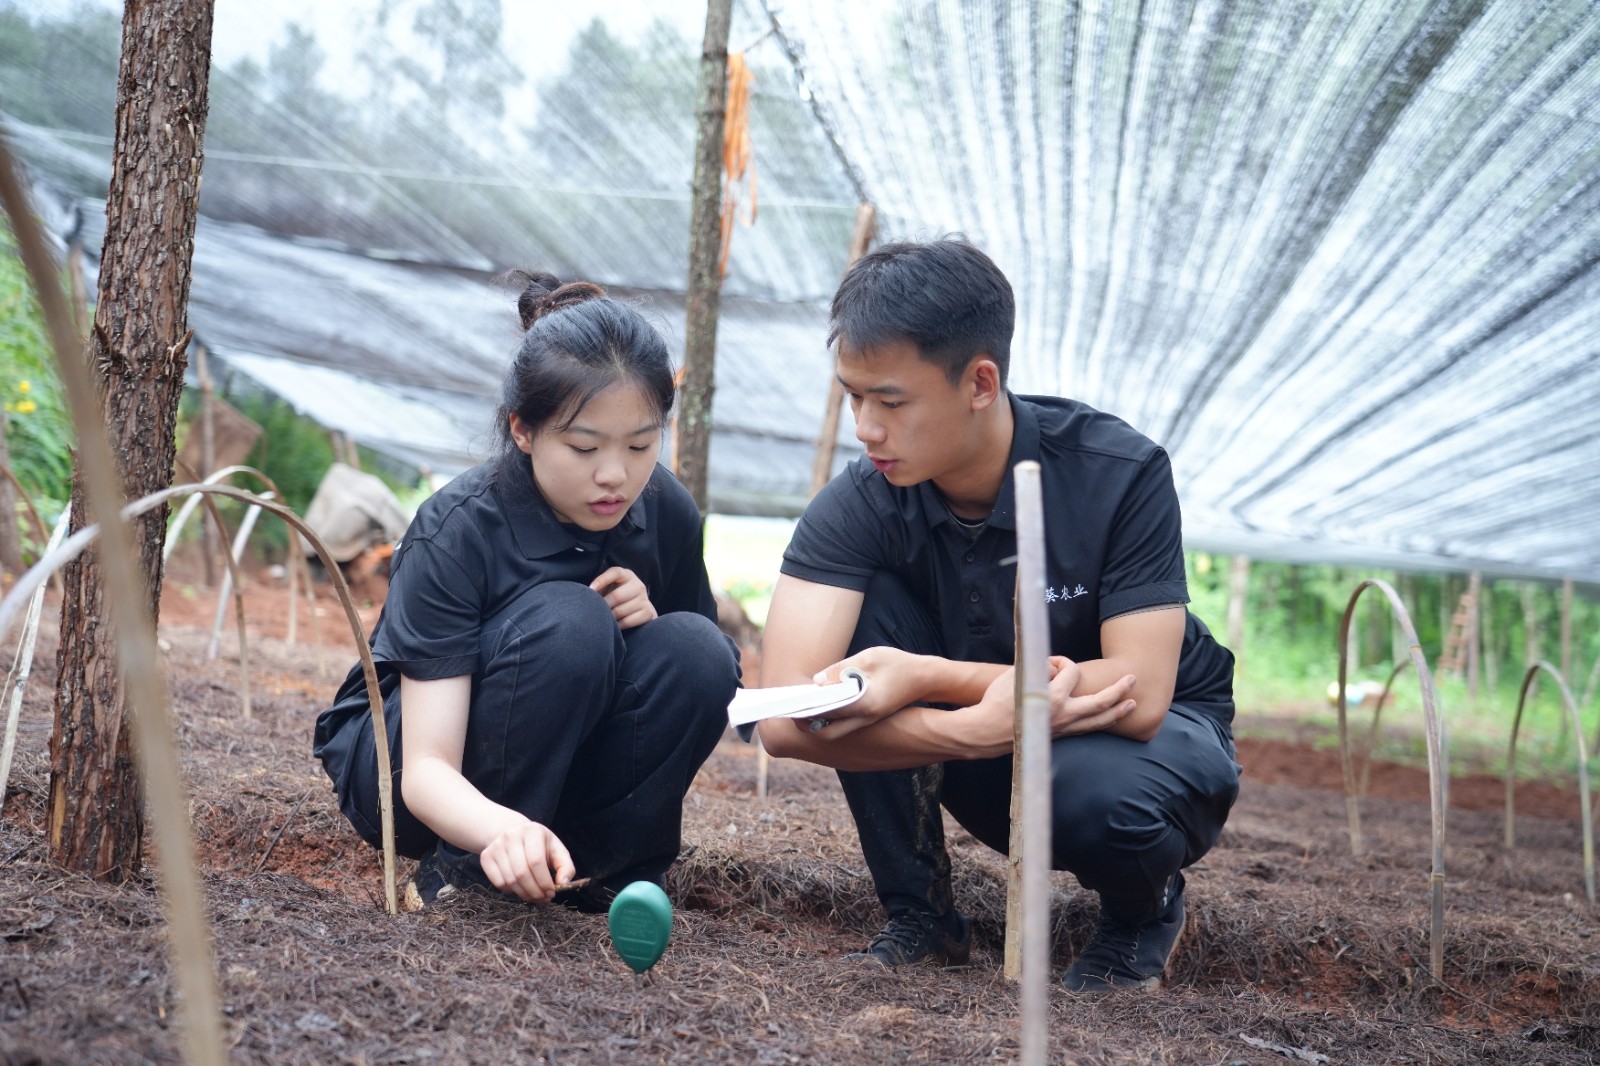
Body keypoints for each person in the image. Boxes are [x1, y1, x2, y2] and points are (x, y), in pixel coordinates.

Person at [758, 238, 1240, 993]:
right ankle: (922, 916)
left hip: (1148, 742)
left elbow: (1139, 697)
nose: (865, 428)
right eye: (853, 396)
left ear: (980, 382)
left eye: (890, 401)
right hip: (987, 742)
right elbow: (785, 719)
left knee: (1103, 795)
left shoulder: (1118, 474)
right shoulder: (862, 503)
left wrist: (927, 676)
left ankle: (1142, 912)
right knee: (844, 663)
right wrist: (965, 729)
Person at [313, 272, 740, 911]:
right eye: (583, 446)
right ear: (523, 431)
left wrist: (653, 623)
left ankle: (600, 877)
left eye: (641, 444)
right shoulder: (458, 528)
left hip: (558, 767)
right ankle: (462, 878)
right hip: (412, 773)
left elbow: (704, 680)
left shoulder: (665, 512)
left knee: (697, 650)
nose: (614, 474)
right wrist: (497, 829)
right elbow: (426, 773)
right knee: (573, 622)